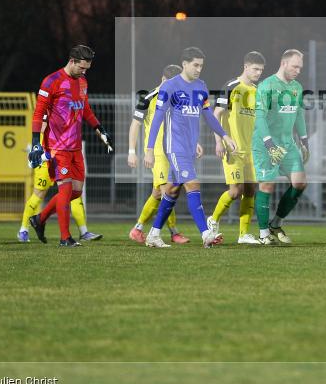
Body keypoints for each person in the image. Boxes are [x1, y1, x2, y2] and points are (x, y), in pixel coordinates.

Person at [143, 47, 236, 248]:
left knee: (172, 191)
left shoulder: (201, 87)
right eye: (195, 65)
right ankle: (205, 234)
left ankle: (153, 234)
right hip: (174, 145)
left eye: (201, 65)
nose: (199, 69)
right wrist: (149, 149)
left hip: (188, 147)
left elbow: (208, 114)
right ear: (184, 64)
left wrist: (224, 135)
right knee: (193, 184)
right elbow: (158, 118)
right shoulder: (169, 86)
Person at [27, 45, 113, 247]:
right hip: (56, 146)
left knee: (75, 191)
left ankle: (39, 219)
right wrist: (35, 143)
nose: (84, 72)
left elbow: (86, 110)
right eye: (82, 68)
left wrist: (100, 129)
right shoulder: (51, 81)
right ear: (72, 61)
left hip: (75, 146)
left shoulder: (82, 81)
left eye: (87, 69)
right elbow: (38, 113)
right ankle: (65, 238)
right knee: (65, 190)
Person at [252, 49, 309, 244]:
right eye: (295, 66)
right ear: (284, 63)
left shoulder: (297, 87)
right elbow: (259, 117)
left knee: (300, 183)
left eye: (300, 67)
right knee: (266, 185)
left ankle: (275, 224)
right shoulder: (267, 85)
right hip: (266, 143)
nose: (298, 70)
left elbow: (299, 114)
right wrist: (268, 143)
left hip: (288, 144)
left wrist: (304, 140)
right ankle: (263, 234)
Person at [207, 51, 265, 245]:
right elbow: (216, 114)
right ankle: (213, 220)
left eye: (261, 70)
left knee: (250, 190)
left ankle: (243, 234)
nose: (258, 73)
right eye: (255, 69)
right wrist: (219, 141)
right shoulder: (231, 86)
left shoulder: (257, 91)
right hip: (233, 149)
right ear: (246, 67)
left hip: (252, 151)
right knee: (235, 191)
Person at [127, 64, 188, 244]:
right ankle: (172, 232)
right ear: (163, 80)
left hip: (173, 152)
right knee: (167, 191)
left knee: (157, 194)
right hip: (157, 153)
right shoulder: (148, 98)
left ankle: (137, 229)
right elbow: (135, 125)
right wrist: (132, 151)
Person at [17, 115, 103, 242]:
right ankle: (23, 230)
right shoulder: (50, 107)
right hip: (46, 159)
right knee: (38, 195)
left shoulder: (67, 107)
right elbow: (42, 127)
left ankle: (83, 231)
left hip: (61, 156)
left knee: (73, 193)